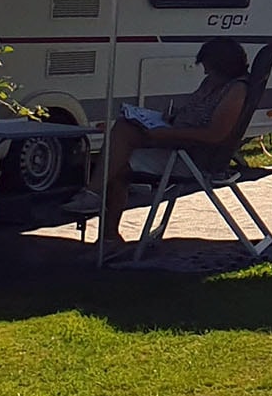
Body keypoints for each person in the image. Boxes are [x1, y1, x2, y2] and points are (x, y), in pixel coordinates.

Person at [73, 38, 251, 251]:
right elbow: (195, 113)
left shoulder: (236, 90)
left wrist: (169, 133)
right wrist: (171, 119)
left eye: (209, 68)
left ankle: (96, 205)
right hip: (177, 141)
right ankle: (99, 211)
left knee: (117, 163)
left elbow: (215, 135)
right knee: (122, 131)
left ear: (222, 65)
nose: (205, 73)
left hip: (191, 156)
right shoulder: (213, 83)